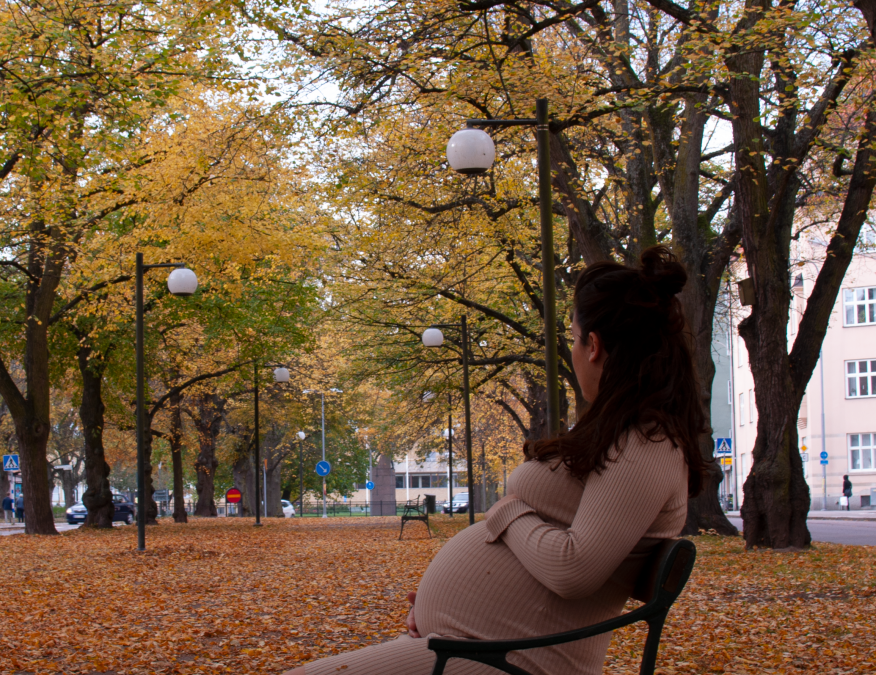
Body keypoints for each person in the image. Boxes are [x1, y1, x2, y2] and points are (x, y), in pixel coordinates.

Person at [286, 247, 709, 675]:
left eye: (573, 337)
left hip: (514, 663)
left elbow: (574, 568)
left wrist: (506, 511)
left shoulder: (648, 444)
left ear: (594, 345)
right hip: (474, 649)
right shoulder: (626, 436)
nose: (574, 350)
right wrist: (443, 609)